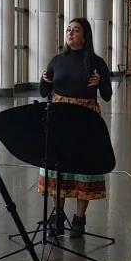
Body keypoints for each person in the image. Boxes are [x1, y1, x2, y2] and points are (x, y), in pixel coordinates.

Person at [38, 18, 112, 238]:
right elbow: (43, 91)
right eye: (68, 29)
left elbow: (107, 95)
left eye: (76, 30)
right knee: (56, 166)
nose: (70, 33)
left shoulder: (96, 63)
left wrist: (99, 83)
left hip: (86, 120)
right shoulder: (57, 60)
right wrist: (44, 80)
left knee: (83, 168)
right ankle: (58, 213)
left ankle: (79, 218)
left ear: (85, 36)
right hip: (60, 118)